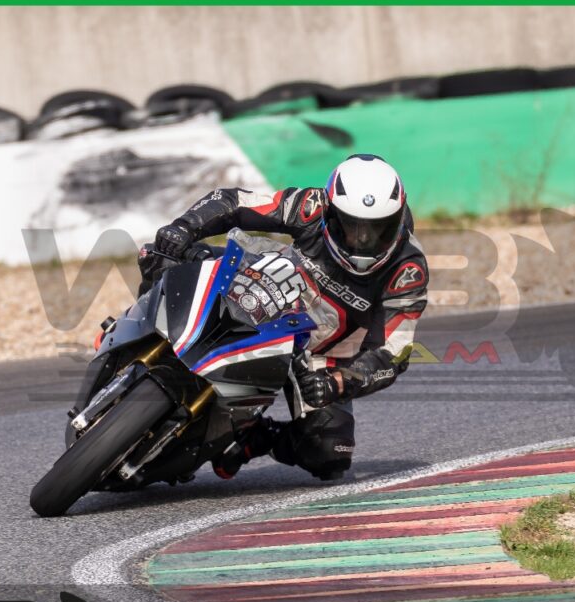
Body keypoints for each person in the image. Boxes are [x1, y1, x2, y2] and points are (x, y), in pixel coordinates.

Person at [138, 154, 429, 481]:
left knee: (329, 451)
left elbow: (395, 352)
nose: (363, 240)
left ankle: (255, 437)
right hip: (259, 287)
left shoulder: (407, 269)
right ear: (330, 212)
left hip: (316, 354)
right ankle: (140, 336)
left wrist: (338, 382)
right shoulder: (310, 206)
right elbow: (235, 202)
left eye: (377, 230)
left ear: (397, 219)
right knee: (159, 254)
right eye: (351, 227)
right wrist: (185, 226)